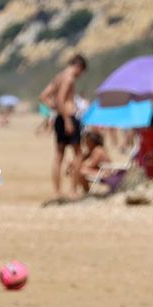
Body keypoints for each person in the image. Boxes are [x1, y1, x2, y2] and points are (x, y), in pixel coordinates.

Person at [40, 53, 87, 198]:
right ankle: (73, 190)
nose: (80, 75)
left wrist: (55, 108)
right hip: (69, 118)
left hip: (59, 118)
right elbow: (60, 98)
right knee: (78, 154)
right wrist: (67, 118)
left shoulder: (58, 77)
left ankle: (56, 191)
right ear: (78, 66)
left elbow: (44, 96)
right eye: (82, 71)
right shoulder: (69, 78)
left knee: (59, 156)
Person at [70, 129, 109, 196]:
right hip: (100, 172)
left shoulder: (98, 150)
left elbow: (91, 164)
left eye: (87, 141)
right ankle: (86, 191)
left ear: (92, 141)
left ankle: (86, 192)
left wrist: (76, 165)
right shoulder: (91, 151)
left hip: (107, 174)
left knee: (81, 171)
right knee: (78, 170)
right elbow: (81, 161)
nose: (85, 143)